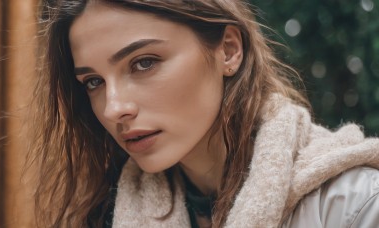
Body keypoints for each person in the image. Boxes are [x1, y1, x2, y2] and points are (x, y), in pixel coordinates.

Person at [30, 0, 379, 227]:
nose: (114, 107)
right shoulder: (106, 215)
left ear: (228, 50)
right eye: (93, 82)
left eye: (144, 63)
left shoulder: (355, 207)